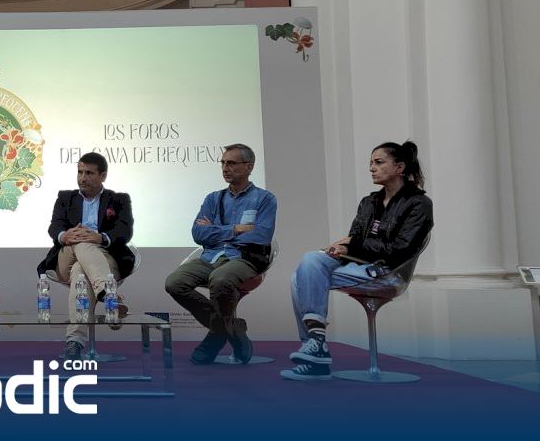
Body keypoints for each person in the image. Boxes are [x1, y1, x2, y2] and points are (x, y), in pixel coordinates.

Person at [281, 140, 433, 381]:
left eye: (378, 162)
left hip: (388, 273)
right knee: (310, 262)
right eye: (370, 163)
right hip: (360, 267)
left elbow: (399, 250)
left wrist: (354, 244)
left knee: (300, 278)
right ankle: (316, 345)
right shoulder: (369, 202)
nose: (371, 168)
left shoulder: (419, 203)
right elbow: (355, 239)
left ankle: (316, 349)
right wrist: (343, 247)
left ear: (400, 167)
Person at [164, 143, 277, 364]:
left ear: (249, 167)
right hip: (211, 257)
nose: (225, 168)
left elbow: (259, 236)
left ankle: (215, 337)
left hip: (244, 257)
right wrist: (235, 229)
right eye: (223, 163)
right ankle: (232, 328)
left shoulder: (264, 199)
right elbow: (198, 233)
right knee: (174, 282)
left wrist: (214, 230)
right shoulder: (212, 199)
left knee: (220, 278)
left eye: (232, 163)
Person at [37, 152, 135, 361]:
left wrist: (100, 237)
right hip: (66, 256)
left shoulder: (118, 200)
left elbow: (124, 231)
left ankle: (75, 342)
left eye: (89, 173)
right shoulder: (65, 198)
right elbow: (55, 226)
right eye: (80, 172)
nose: (82, 178)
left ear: (103, 175)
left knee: (80, 273)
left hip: (105, 258)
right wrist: (65, 235)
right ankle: (108, 294)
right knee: (80, 239)